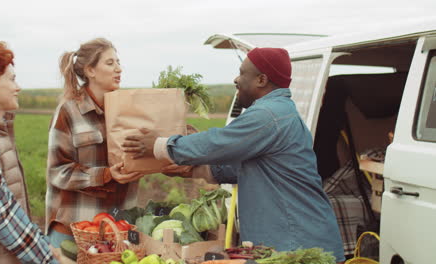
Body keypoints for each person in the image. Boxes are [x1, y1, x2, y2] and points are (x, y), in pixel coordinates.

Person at [123, 47, 346, 263]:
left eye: (242, 73)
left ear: (261, 79)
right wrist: (191, 170)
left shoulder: (269, 115)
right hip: (295, 241)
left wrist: (160, 145)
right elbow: (240, 167)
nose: (236, 79)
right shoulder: (278, 113)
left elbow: (218, 143)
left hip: (298, 244)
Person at [46, 38, 144, 248]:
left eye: (118, 62)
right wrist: (107, 174)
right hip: (75, 231)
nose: (119, 69)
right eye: (110, 63)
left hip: (118, 230)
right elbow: (57, 171)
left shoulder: (127, 110)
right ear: (90, 71)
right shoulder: (69, 111)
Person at [0, 42, 58, 263]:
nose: (17, 87)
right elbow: (1, 215)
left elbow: (13, 206)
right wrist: (48, 258)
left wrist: (43, 243)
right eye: (12, 79)